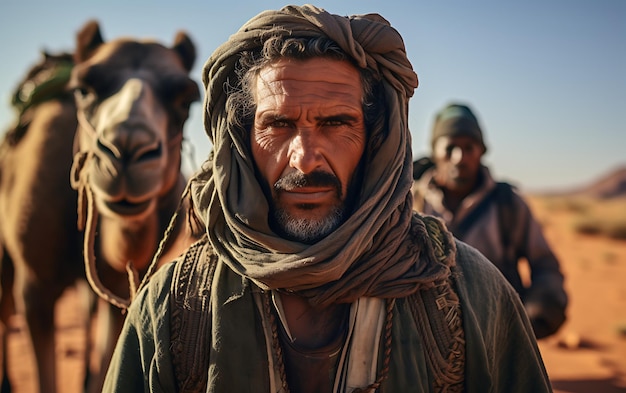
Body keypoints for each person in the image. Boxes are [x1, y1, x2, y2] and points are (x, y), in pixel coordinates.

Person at [103, 5, 553, 392]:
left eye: (337, 124)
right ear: (242, 139)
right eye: (277, 125)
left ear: (375, 138)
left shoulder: (470, 293)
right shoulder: (173, 307)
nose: (304, 159)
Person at [412, 102, 568, 339]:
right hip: (423, 339)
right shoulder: (408, 201)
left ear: (481, 151)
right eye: (450, 147)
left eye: (469, 147)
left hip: (496, 335)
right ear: (435, 152)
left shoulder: (508, 205)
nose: (459, 158)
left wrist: (542, 306)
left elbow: (545, 264)